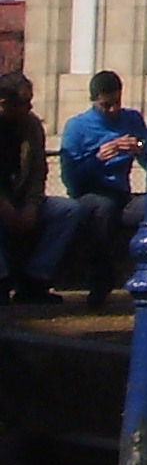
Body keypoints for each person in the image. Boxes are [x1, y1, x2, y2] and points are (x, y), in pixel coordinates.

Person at [59, 69, 147, 309]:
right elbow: (71, 180)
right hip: (90, 194)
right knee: (103, 210)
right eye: (106, 105)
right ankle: (99, 282)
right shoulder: (77, 127)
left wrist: (140, 148)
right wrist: (97, 159)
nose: (113, 110)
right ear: (94, 101)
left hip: (121, 193)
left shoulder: (132, 120)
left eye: (116, 103)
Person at [1, 72, 83, 304]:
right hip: (3, 201)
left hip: (21, 198)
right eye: (24, 102)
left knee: (69, 210)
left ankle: (36, 279)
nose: (29, 107)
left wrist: (31, 205)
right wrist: (4, 205)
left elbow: (38, 170)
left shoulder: (31, 126)